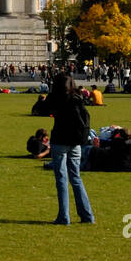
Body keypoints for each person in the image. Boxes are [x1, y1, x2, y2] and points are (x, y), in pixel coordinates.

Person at [46, 73, 94, 225]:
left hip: (59, 140)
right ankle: (87, 215)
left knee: (61, 179)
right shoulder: (77, 98)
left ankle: (64, 216)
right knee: (76, 178)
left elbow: (46, 108)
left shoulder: (56, 98)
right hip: (75, 142)